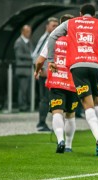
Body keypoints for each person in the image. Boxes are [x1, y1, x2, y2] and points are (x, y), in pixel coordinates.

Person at [47, 3, 98, 157]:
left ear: (80, 13)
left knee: (86, 105)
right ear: (94, 15)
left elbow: (52, 36)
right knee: (95, 104)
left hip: (77, 68)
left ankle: (93, 139)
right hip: (96, 66)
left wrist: (50, 60)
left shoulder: (71, 23)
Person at [34, 14, 78, 153]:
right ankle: (69, 146)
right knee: (70, 115)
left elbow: (40, 60)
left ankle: (60, 140)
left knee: (57, 112)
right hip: (73, 82)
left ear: (60, 25)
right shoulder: (78, 41)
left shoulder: (53, 39)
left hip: (56, 81)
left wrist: (37, 71)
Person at [32, 17, 59, 131]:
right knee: (45, 99)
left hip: (48, 73)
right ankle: (41, 124)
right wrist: (40, 69)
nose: (55, 28)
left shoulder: (51, 37)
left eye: (57, 25)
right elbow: (35, 55)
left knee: (47, 99)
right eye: (53, 25)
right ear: (47, 26)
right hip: (45, 73)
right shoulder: (47, 38)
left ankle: (46, 123)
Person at [14, 25, 34, 112]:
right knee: (23, 89)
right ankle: (22, 106)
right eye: (27, 31)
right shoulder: (18, 42)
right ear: (22, 31)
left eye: (29, 31)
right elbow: (19, 55)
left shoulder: (29, 42)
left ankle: (27, 105)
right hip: (22, 70)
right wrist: (32, 56)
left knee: (27, 89)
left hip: (29, 70)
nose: (29, 33)